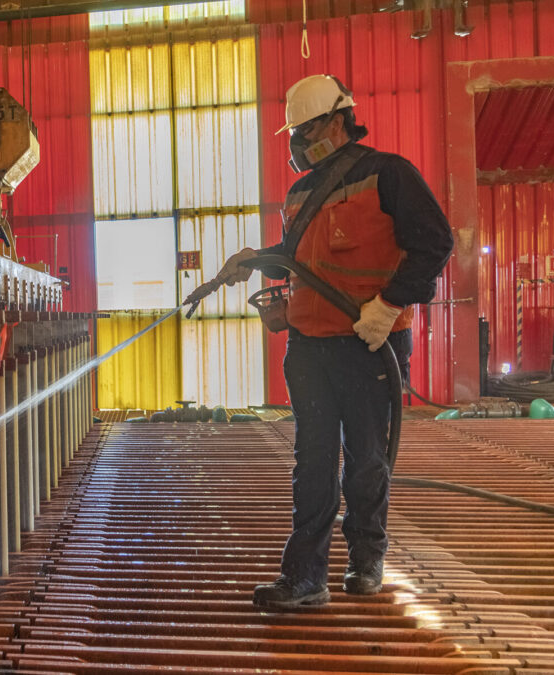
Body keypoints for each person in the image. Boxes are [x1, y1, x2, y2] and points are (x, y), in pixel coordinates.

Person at [183, 74, 453, 610]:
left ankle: (366, 558)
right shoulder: (302, 190)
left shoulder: (388, 174)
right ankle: (305, 578)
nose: (298, 144)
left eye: (306, 131)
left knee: (367, 458)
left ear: (336, 121)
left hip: (368, 341)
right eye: (295, 135)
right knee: (311, 460)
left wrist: (390, 304)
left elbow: (435, 243)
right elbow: (296, 251)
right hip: (308, 346)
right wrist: (254, 259)